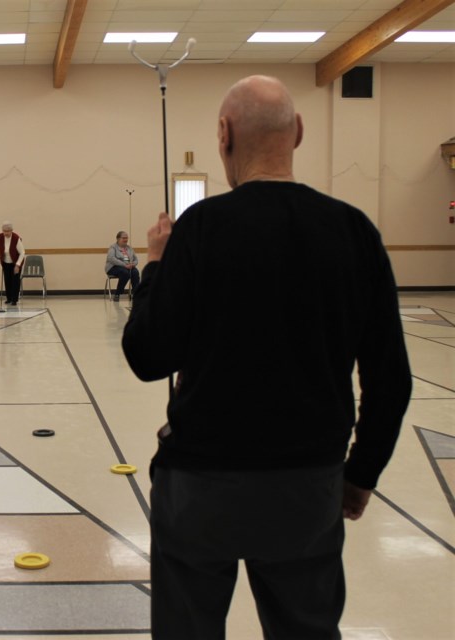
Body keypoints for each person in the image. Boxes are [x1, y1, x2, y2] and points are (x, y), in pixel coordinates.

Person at [122, 76, 411, 639]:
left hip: (200, 488)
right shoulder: (354, 231)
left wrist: (155, 265)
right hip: (308, 488)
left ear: (223, 134)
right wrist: (360, 474)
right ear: (298, 132)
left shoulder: (200, 228)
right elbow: (391, 379)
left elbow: (147, 354)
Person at [105, 231, 139, 301]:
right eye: (123, 238)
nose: (125, 240)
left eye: (126, 238)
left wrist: (133, 264)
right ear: (118, 239)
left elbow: (135, 259)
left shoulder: (129, 248)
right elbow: (111, 258)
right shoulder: (113, 247)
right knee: (125, 273)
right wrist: (124, 265)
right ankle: (118, 293)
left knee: (135, 272)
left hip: (127, 267)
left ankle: (136, 293)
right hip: (113, 267)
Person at [0, 222, 25, 305]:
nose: (6, 233)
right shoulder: (0, 237)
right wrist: (0, 257)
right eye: (4, 231)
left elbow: (22, 253)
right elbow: (1, 248)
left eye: (8, 231)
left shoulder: (16, 238)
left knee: (15, 281)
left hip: (16, 262)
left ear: (12, 230)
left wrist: (17, 265)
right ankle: (8, 298)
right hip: (5, 262)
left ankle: (14, 299)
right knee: (7, 280)